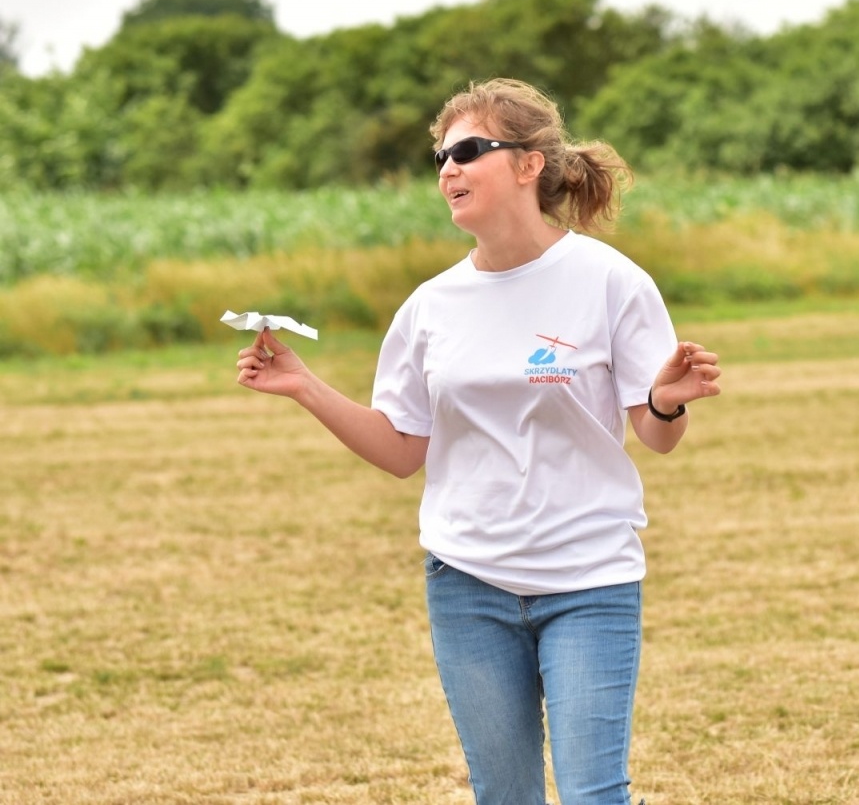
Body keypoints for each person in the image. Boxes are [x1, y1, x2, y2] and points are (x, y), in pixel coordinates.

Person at [235, 77, 721, 805]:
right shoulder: (429, 307)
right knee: (507, 797)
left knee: (594, 796)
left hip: (588, 578)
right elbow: (403, 450)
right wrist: (306, 386)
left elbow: (655, 435)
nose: (447, 170)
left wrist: (664, 402)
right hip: (466, 583)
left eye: (468, 150)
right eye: (440, 157)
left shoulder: (610, 282)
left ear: (530, 165)